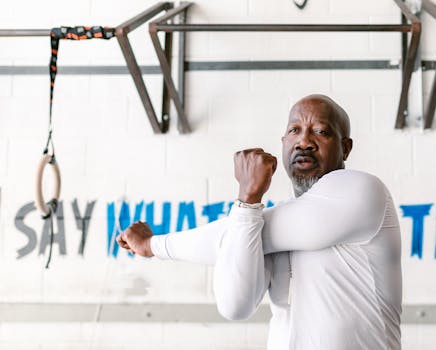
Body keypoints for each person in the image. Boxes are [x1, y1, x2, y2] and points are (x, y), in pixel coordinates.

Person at [117, 94, 402, 350]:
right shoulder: (260, 222)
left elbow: (228, 236)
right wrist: (247, 202)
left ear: (346, 148)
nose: (304, 141)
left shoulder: (361, 189)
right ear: (283, 144)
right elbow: (235, 306)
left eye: (321, 131)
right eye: (295, 130)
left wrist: (153, 244)